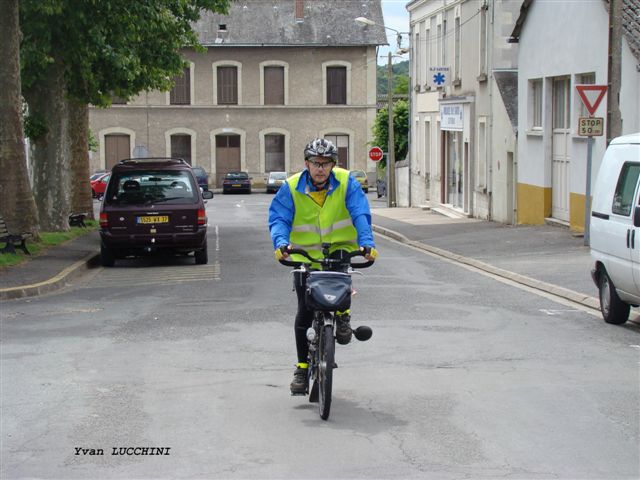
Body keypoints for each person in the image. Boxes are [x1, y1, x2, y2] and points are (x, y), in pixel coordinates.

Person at [268, 137, 378, 395]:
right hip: (305, 256)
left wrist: (366, 242)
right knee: (305, 311)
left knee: (341, 284)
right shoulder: (291, 186)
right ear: (306, 163)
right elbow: (279, 218)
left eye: (326, 163)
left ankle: (343, 315)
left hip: (339, 250)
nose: (320, 168)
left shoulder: (347, 182)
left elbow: (360, 212)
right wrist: (281, 243)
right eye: (316, 163)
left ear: (333, 164)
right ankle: (301, 368)